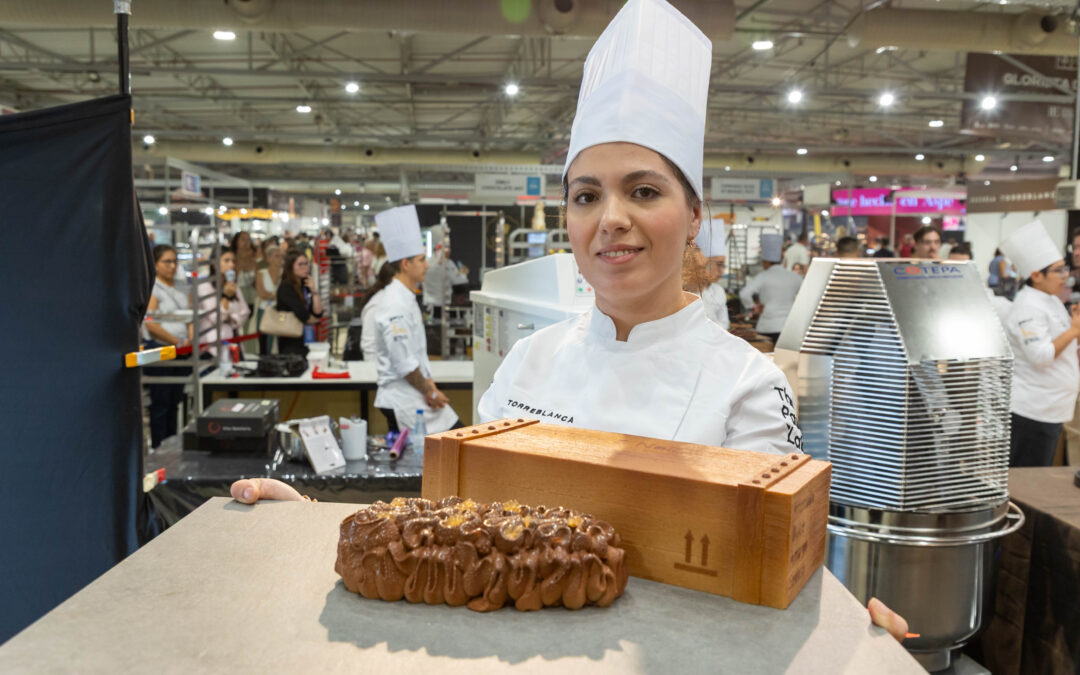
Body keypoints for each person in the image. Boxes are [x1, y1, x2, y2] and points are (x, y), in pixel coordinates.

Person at [229, 0, 909, 640]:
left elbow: (774, 573)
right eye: (587, 195)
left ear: (696, 214)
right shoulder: (528, 361)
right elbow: (456, 534)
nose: (612, 218)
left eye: (643, 190)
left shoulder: (749, 386)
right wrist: (314, 527)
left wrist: (844, 627)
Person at [371, 204, 459, 435]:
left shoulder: (405, 298)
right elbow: (404, 362)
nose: (427, 265)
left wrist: (430, 387)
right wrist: (430, 392)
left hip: (414, 394)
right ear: (405, 264)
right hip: (405, 400)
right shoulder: (394, 304)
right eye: (421, 260)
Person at [999, 220, 1080, 467]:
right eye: (1058, 271)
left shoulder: (1050, 299)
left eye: (1064, 269)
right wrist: (1075, 329)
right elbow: (1041, 355)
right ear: (1036, 275)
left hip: (1051, 407)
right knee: (1026, 482)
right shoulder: (1027, 307)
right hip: (1033, 410)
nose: (1065, 276)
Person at [143, 244, 193, 449]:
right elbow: (151, 323)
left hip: (182, 351)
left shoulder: (182, 286)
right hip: (162, 349)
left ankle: (173, 445)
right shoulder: (152, 288)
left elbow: (191, 315)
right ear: (155, 264)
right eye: (167, 262)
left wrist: (188, 340)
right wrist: (175, 341)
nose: (172, 266)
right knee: (161, 403)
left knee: (175, 401)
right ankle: (158, 447)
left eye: (175, 261)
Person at [740, 233, 803, 342]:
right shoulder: (795, 277)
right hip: (789, 328)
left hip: (767, 327)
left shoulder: (763, 276)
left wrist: (753, 307)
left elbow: (744, 293)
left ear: (766, 261)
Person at [197, 247, 251, 358]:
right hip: (213, 345)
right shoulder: (205, 287)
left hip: (233, 341)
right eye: (226, 261)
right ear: (215, 264)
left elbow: (244, 311)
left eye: (233, 261)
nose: (231, 265)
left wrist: (232, 319)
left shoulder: (234, 286)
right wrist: (226, 296)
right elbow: (216, 318)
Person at [275, 248, 324, 357]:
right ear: (290, 267)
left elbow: (318, 313)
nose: (305, 267)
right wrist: (314, 319)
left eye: (306, 264)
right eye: (300, 264)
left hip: (306, 337)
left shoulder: (304, 286)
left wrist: (314, 292)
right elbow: (304, 315)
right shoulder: (286, 287)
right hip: (291, 340)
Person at [693, 222, 729, 329]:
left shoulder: (718, 291)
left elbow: (724, 323)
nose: (721, 270)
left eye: (723, 265)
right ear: (703, 264)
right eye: (718, 265)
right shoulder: (688, 291)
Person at [255, 245, 284, 355]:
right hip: (264, 310)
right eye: (277, 256)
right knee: (264, 340)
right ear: (269, 258)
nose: (280, 259)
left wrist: (272, 295)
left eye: (281, 256)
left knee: (280, 339)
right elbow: (261, 293)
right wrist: (276, 295)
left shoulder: (284, 273)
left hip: (280, 310)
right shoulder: (262, 273)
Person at [230, 231, 259, 333]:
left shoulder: (254, 258)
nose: (246, 242)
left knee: (251, 326)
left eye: (248, 239)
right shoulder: (231, 258)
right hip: (236, 295)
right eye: (243, 239)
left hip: (252, 296)